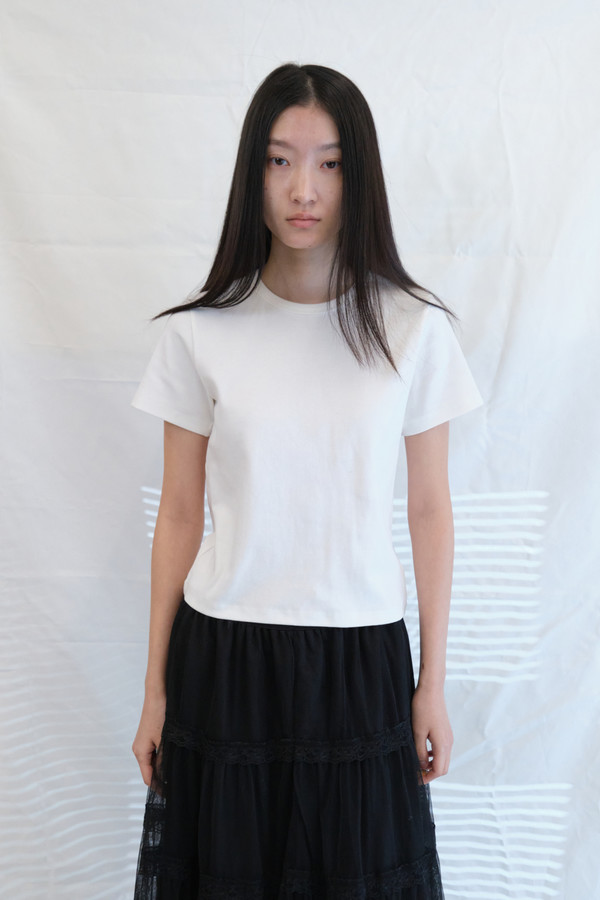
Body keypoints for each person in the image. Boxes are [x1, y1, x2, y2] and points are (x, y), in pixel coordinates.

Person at [130, 62, 484, 900]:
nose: (303, 189)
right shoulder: (199, 334)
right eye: (280, 160)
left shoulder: (412, 329)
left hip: (360, 657)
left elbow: (430, 510)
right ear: (252, 172)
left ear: (359, 179)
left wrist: (432, 685)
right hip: (225, 657)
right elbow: (178, 514)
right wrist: (154, 691)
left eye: (329, 164)